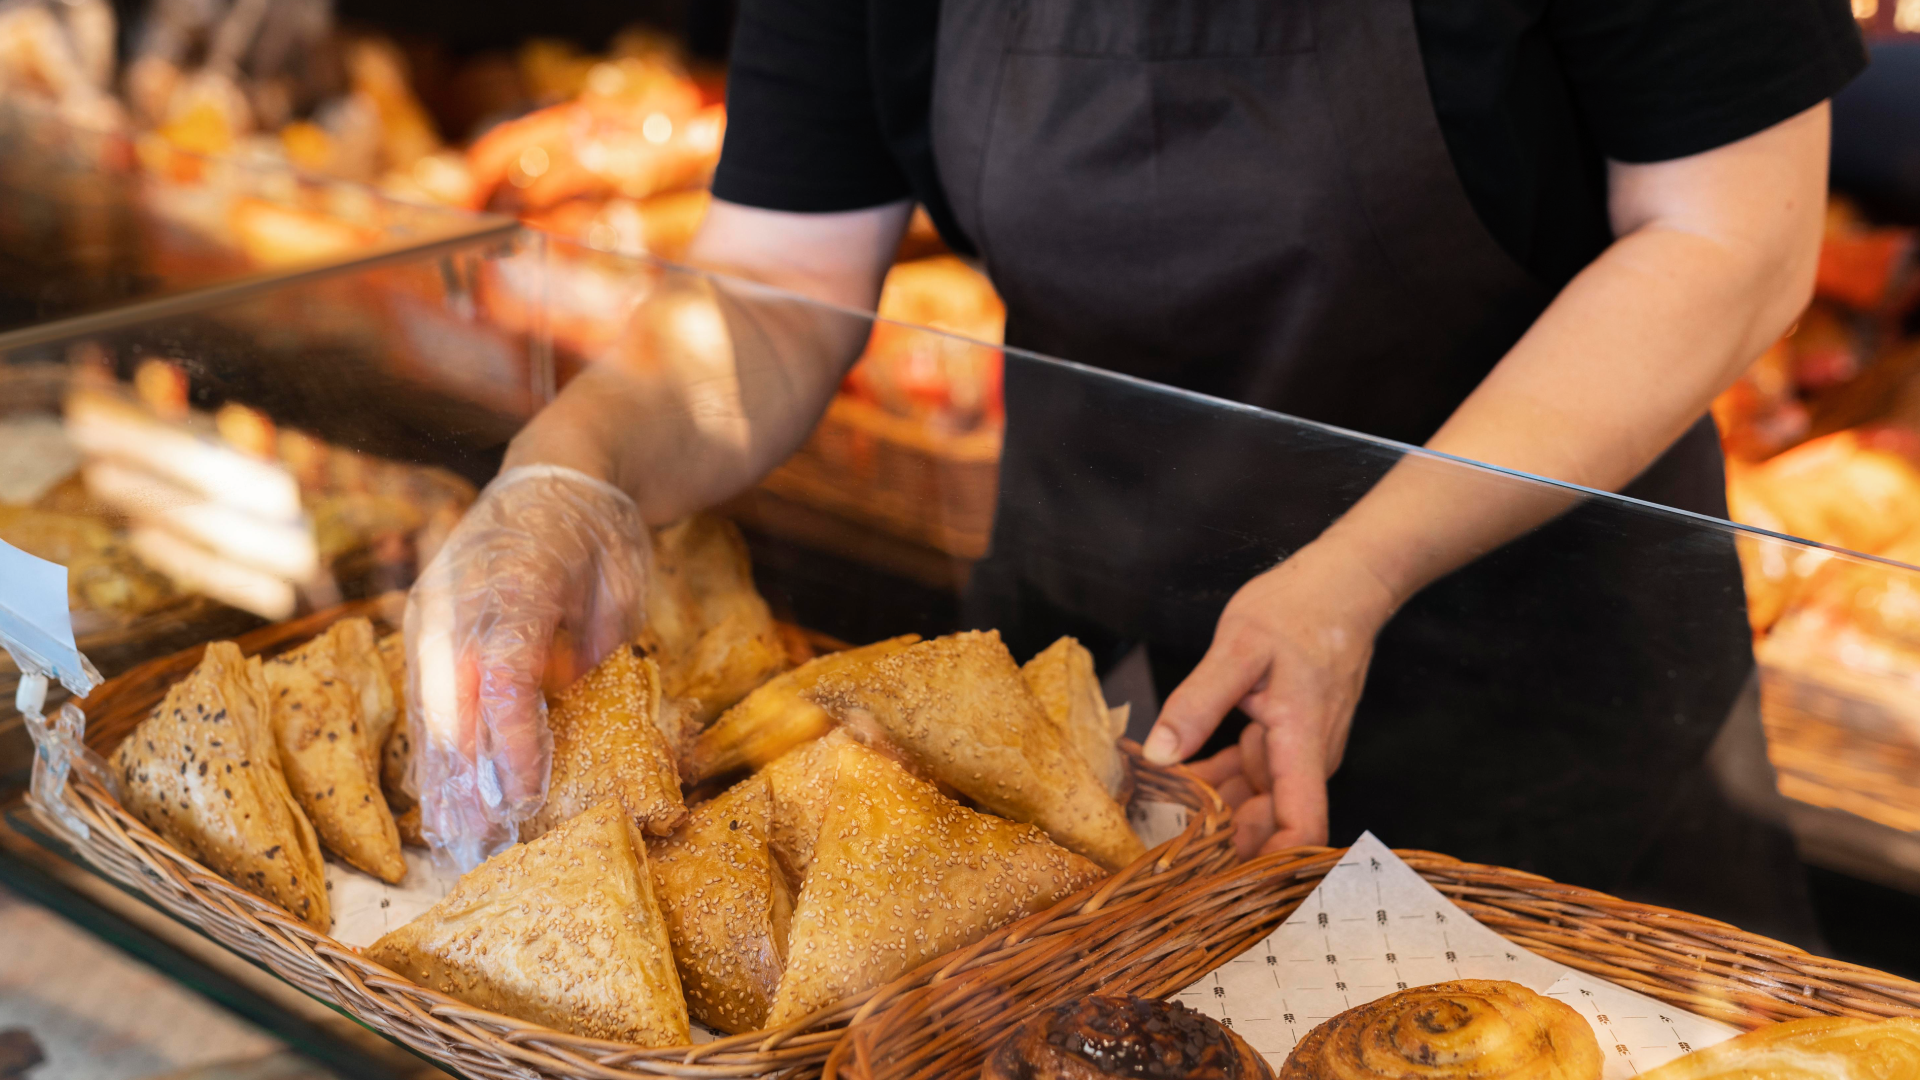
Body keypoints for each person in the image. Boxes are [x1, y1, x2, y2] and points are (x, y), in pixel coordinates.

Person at [406, 0, 1861, 936]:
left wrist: (1358, 571)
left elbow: (1732, 235)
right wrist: (569, 471)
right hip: (1074, 717)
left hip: (1542, 703)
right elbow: (780, 282)